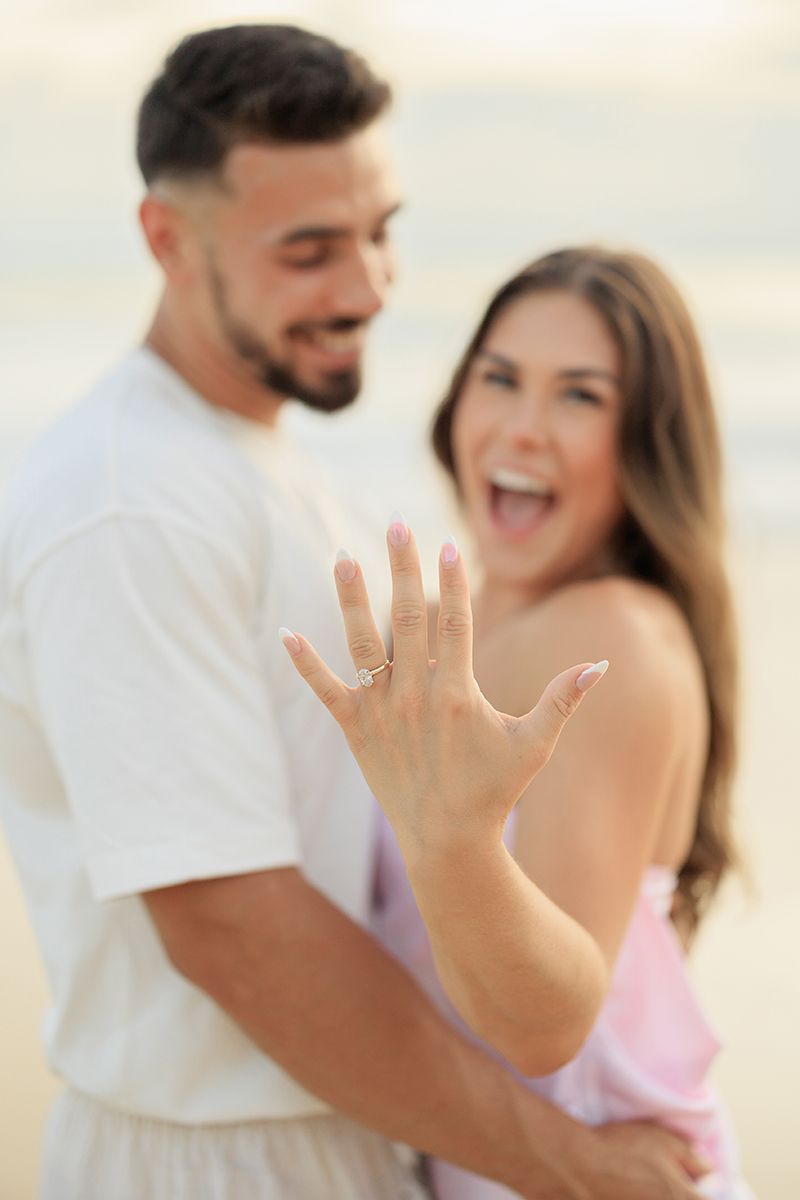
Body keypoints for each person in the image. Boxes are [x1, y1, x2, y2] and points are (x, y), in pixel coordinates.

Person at [0, 23, 711, 1199]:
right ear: (166, 241)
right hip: (219, 1163)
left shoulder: (282, 471)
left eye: (381, 232)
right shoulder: (131, 502)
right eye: (310, 249)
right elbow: (231, 928)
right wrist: (577, 1171)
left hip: (367, 1133)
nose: (368, 286)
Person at [285, 248, 754, 1199]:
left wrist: (452, 838)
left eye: (580, 397)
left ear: (643, 442)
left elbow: (545, 1030)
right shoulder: (479, 627)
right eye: (499, 378)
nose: (524, 427)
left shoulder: (606, 637)